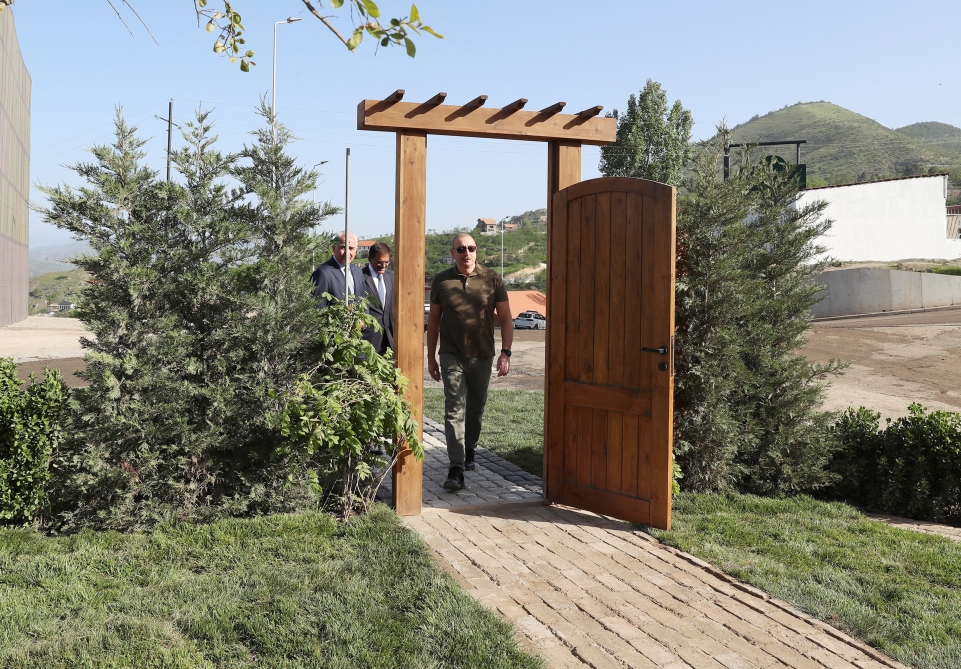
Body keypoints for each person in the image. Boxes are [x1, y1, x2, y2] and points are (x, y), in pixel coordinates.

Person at [427, 233, 513, 491]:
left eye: (471, 248)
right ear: (453, 253)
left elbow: (506, 318)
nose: (467, 253)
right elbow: (434, 321)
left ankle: (470, 447)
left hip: (482, 355)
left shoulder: (492, 279)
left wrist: (506, 352)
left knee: (475, 408)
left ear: (477, 251)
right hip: (451, 354)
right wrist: (431, 357)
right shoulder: (441, 280)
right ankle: (456, 468)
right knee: (454, 408)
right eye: (461, 249)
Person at [360, 242, 394, 355]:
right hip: (368, 340)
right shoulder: (359, 278)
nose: (383, 266)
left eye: (386, 262)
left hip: (389, 340)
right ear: (370, 259)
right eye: (379, 262)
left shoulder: (390, 278)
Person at [312, 232, 365, 304]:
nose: (347, 252)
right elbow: (318, 306)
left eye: (351, 248)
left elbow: (363, 302)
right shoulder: (323, 273)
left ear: (356, 250)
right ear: (334, 248)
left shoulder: (358, 272)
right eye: (343, 247)